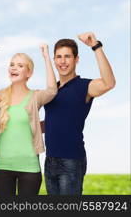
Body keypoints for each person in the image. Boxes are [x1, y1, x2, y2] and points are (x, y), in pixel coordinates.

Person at [44, 32, 116, 195]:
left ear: (76, 59)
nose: (62, 61)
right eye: (59, 57)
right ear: (54, 60)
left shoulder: (84, 86)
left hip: (71, 161)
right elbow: (52, 123)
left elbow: (109, 83)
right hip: (50, 161)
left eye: (67, 56)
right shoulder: (52, 90)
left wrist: (95, 46)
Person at [0, 44, 57, 196]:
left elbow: (52, 90)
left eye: (20, 65)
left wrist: (47, 57)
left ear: (29, 72)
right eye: (12, 65)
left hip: (29, 167)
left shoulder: (35, 97)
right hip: (2, 167)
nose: (14, 68)